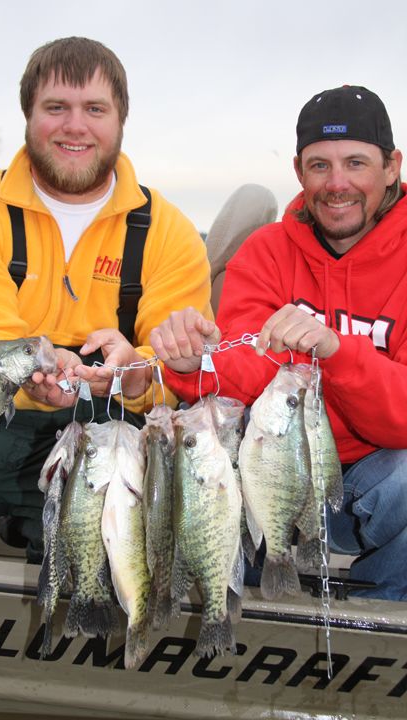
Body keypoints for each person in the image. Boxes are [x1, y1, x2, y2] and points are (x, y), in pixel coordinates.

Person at [0, 36, 211, 561]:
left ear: (121, 119)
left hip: (104, 433)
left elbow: (177, 364)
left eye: (94, 109)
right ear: (29, 116)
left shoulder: (170, 232)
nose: (75, 126)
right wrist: (41, 375)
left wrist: (137, 374)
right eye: (55, 107)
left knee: (93, 565)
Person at [151, 85, 407, 601]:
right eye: (319, 166)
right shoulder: (266, 252)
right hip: (273, 469)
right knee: (210, 459)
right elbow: (241, 369)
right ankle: (235, 622)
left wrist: (336, 350)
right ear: (298, 171)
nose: (337, 184)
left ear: (391, 166)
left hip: (376, 481)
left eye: (356, 163)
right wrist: (189, 366)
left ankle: (378, 636)